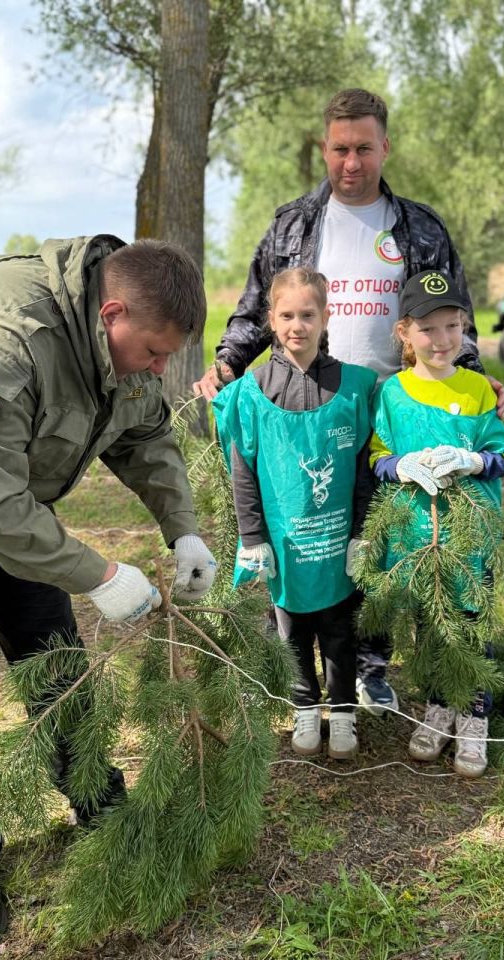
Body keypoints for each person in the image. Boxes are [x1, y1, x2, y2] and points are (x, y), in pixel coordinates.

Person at [0, 236, 217, 947]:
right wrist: (98, 573)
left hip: (8, 492)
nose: (159, 369)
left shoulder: (120, 340)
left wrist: (181, 528)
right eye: (154, 354)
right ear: (112, 313)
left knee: (55, 654)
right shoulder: (2, 341)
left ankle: (94, 792)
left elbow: (145, 433)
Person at [194, 87, 504, 717]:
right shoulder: (292, 226)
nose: (352, 162)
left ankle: (377, 663)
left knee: (388, 536)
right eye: (340, 149)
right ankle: (327, 658)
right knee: (327, 529)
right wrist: (228, 361)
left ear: (384, 146)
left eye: (365, 147)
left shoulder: (419, 227)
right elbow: (259, 308)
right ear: (325, 149)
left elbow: (452, 316)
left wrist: (475, 374)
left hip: (399, 413)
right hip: (316, 410)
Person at [212, 268, 376, 760]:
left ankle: (343, 711)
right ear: (271, 320)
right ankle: (304, 705)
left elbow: (365, 471)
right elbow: (243, 470)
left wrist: (361, 535)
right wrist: (252, 536)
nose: (297, 325)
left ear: (327, 317)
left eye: (308, 314)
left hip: (336, 543)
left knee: (340, 628)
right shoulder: (253, 393)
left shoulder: (355, 389)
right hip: (285, 547)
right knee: (292, 629)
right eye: (287, 315)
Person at [369, 270, 504, 777]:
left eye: (453, 326)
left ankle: (474, 717)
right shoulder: (393, 393)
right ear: (405, 333)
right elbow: (378, 456)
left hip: (470, 537)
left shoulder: (477, 389)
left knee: (472, 622)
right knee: (429, 620)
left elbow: (502, 455)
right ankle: (438, 705)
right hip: (417, 533)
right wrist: (400, 466)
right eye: (428, 329)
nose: (443, 340)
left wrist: (474, 461)